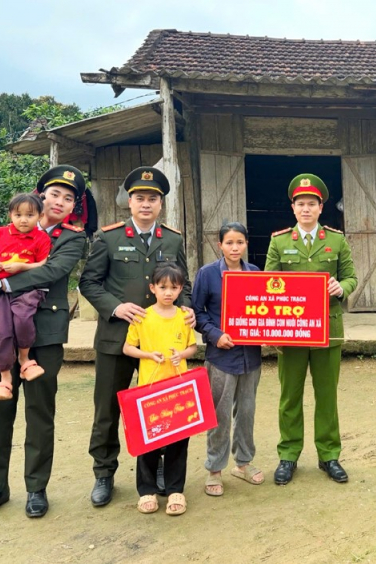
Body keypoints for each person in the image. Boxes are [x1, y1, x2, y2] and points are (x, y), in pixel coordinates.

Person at [0, 165, 88, 521]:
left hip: (45, 334)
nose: (60, 202)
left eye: (68, 198)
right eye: (54, 194)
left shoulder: (72, 237)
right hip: (3, 331)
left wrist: (1, 284)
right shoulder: (8, 229)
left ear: (73, 206)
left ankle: (36, 488)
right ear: (40, 195)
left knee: (39, 412)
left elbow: (51, 271)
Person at [80, 166, 194, 508]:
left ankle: (159, 470)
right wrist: (116, 308)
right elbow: (89, 283)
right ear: (129, 202)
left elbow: (183, 284)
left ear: (161, 204)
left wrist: (186, 308)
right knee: (108, 410)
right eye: (140, 198)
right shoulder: (109, 237)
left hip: (161, 347)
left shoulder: (172, 239)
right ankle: (104, 473)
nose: (146, 204)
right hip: (118, 339)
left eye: (153, 199)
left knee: (163, 409)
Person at [265, 173, 358, 485]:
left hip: (327, 331)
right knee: (290, 396)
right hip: (291, 332)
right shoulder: (279, 241)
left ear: (321, 208)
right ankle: (288, 455)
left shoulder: (336, 240)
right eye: (300, 204)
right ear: (293, 208)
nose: (306, 209)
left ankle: (329, 454)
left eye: (312, 204)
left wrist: (339, 287)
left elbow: (351, 277)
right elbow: (267, 283)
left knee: (327, 395)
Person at [192, 222, 264, 497]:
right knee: (219, 414)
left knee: (246, 411)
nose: (235, 248)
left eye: (240, 242)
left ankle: (243, 463)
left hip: (251, 355)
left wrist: (270, 330)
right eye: (229, 243)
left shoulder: (255, 273)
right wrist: (215, 334)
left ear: (246, 244)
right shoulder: (208, 274)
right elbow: (198, 313)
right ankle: (214, 468)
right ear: (219, 245)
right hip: (222, 356)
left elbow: (264, 310)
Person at [122, 264, 197, 515]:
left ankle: (176, 489)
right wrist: (148, 354)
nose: (168, 293)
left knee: (178, 439)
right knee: (148, 441)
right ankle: (147, 491)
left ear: (180, 289)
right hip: (149, 389)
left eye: (174, 288)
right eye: (163, 287)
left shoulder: (184, 317)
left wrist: (182, 355)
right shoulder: (143, 317)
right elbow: (128, 348)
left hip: (178, 387)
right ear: (152, 288)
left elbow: (192, 348)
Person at [0, 193, 51, 401]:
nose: (23, 219)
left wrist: (22, 266)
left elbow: (43, 265)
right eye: (18, 214)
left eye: (30, 215)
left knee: (23, 319)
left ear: (39, 215)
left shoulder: (41, 237)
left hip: (26, 289)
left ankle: (25, 360)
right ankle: (5, 378)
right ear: (11, 214)